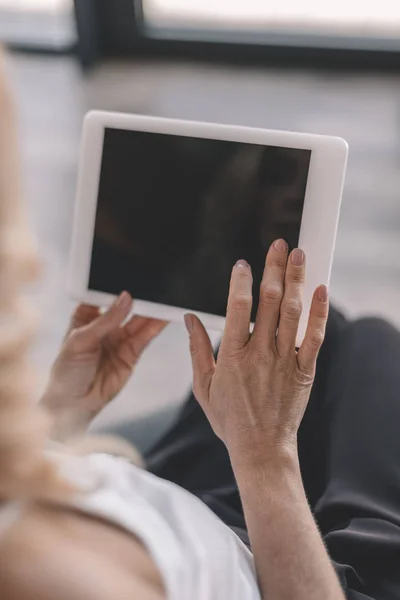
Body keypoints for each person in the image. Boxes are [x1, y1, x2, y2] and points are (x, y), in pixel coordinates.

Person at [0, 52, 399, 600]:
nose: (30, 260)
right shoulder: (51, 579)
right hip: (311, 574)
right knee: (364, 340)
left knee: (317, 347)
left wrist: (59, 416)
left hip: (178, 497)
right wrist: (264, 454)